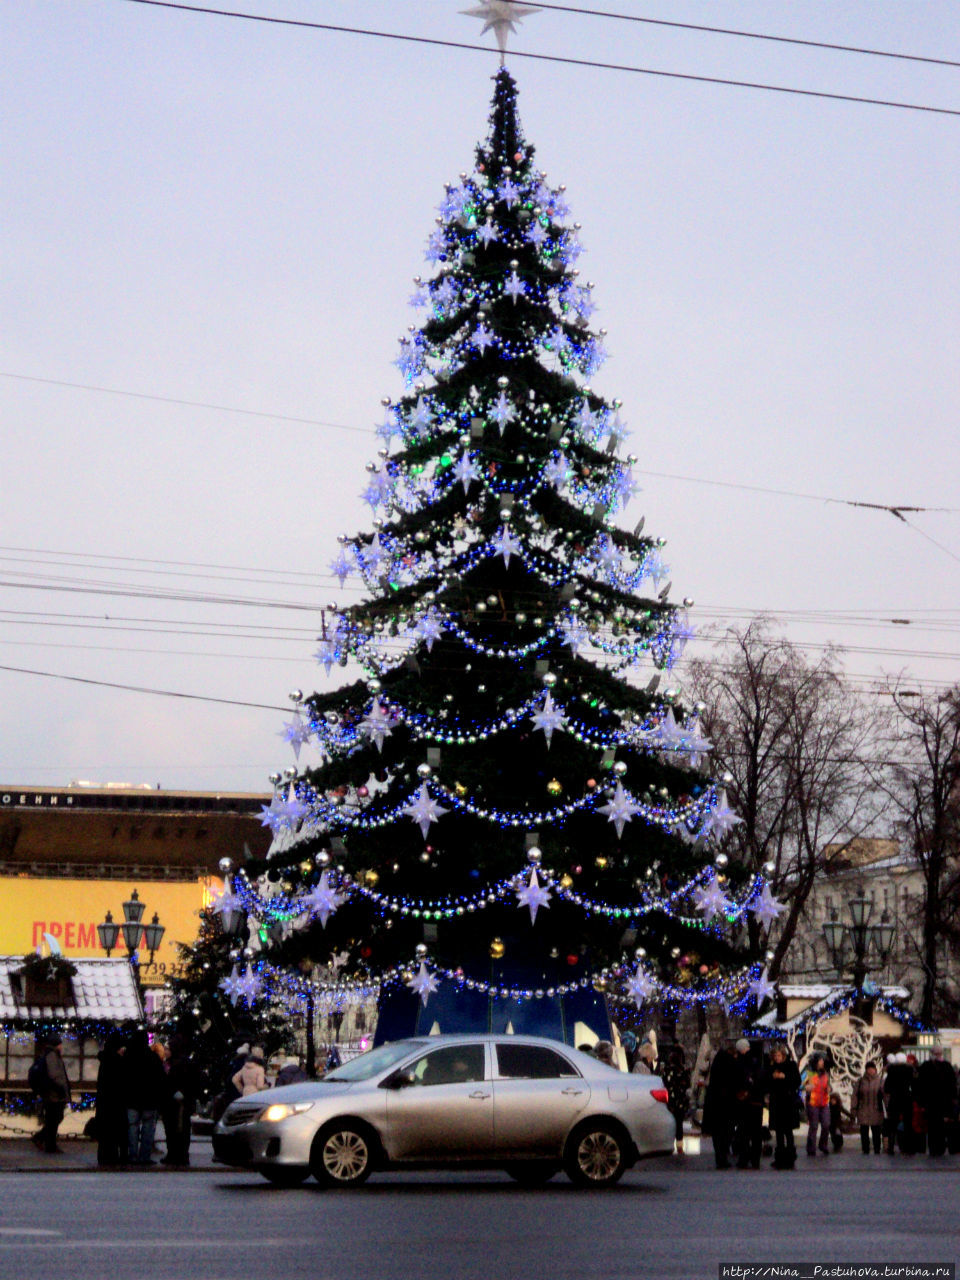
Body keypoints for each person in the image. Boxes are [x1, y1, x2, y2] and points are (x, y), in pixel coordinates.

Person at [124, 1030, 169, 1165]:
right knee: (148, 1128)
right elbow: (161, 1078)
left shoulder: (128, 1056)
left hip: (132, 1098)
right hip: (150, 1099)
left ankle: (132, 1155)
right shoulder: (153, 1057)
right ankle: (145, 1156)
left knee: (132, 1127)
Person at [162, 1034, 202, 1166]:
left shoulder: (176, 1064)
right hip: (182, 1101)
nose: (165, 1051)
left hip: (176, 1103)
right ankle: (180, 1154)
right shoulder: (184, 1062)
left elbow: (172, 1083)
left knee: (175, 1129)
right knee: (181, 1129)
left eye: (168, 1048)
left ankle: (175, 1154)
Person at [31, 1034, 72, 1154]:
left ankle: (45, 1141)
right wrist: (61, 1088)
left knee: (54, 1119)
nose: (61, 1046)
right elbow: (55, 1075)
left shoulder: (50, 1055)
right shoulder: (52, 1056)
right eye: (60, 1044)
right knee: (54, 1119)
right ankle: (48, 1143)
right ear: (56, 1045)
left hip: (53, 1094)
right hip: (53, 1094)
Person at [701, 1040, 738, 1169]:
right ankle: (723, 1157)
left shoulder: (717, 1062)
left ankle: (720, 1157)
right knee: (726, 1133)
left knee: (717, 1134)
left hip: (714, 1103)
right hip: (726, 1104)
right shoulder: (730, 1063)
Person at [763, 1044, 801, 1169]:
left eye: (779, 1055)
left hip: (788, 1102)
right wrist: (771, 1078)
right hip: (776, 1102)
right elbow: (766, 1082)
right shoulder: (771, 1067)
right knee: (779, 1131)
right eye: (775, 1056)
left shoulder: (790, 1065)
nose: (777, 1058)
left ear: (783, 1055)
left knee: (788, 1131)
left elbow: (797, 1081)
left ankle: (790, 1156)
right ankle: (779, 1157)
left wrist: (784, 1077)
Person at [94, 1031, 128, 1166]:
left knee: (105, 1132)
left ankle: (104, 1156)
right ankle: (112, 1157)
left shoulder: (105, 1060)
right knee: (115, 1131)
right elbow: (121, 1083)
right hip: (115, 1102)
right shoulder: (117, 1061)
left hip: (104, 1102)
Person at [916, 1047, 957, 1158]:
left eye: (939, 1053)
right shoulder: (927, 1066)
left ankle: (939, 1148)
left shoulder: (946, 1066)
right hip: (932, 1102)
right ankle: (935, 1148)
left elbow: (952, 1085)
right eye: (936, 1053)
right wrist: (922, 1103)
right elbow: (921, 1086)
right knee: (933, 1126)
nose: (938, 1055)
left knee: (940, 1126)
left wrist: (953, 1099)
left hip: (942, 1102)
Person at [732, 1039, 764, 1169]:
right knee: (756, 1133)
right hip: (757, 1102)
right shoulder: (758, 1061)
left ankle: (744, 1158)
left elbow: (739, 1080)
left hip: (745, 1102)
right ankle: (755, 1160)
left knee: (744, 1133)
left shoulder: (741, 1062)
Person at [659, 1044, 691, 1155]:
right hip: (680, 1100)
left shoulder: (666, 1070)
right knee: (679, 1124)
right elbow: (687, 1084)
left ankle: (667, 1144)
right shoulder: (683, 1070)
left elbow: (664, 1083)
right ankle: (679, 1146)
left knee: (669, 1123)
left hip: (669, 1099)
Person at [884, 1051, 914, 1155]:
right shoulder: (910, 1071)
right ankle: (908, 1148)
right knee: (908, 1124)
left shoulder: (891, 1072)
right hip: (907, 1099)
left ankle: (891, 1147)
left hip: (895, 1100)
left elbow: (886, 1088)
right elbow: (914, 1086)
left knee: (892, 1125)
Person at [852, 1061, 885, 1154]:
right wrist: (854, 1108)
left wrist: (887, 1107)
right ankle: (865, 1149)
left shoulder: (880, 1081)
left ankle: (877, 1149)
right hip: (863, 1110)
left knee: (876, 1131)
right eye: (868, 1069)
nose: (870, 1071)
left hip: (876, 1110)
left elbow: (885, 1095)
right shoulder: (861, 1081)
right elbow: (855, 1095)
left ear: (875, 1070)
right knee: (864, 1131)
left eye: (872, 1069)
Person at [802, 1055, 831, 1157]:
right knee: (813, 1125)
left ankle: (823, 1144)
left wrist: (829, 1089)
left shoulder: (826, 1073)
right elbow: (800, 1084)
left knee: (826, 1124)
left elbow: (829, 1085)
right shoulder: (808, 1073)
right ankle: (811, 1148)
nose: (822, 1062)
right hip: (812, 1102)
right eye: (820, 1060)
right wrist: (806, 1087)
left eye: (822, 1060)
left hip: (824, 1101)